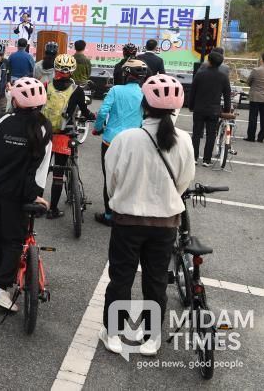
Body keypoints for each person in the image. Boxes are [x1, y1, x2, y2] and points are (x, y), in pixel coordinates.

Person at [99, 74, 195, 357]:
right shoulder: (185, 141)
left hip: (127, 221)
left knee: (121, 278)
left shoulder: (125, 139)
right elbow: (183, 183)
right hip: (165, 223)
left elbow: (111, 181)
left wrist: (124, 198)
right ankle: (152, 338)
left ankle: (113, 333)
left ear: (145, 105)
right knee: (155, 280)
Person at [0, 77, 52, 310]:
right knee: (13, 239)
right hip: (20, 195)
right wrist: (35, 195)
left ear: (16, 100)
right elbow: (41, 170)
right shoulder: (43, 127)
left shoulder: (0, 121)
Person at [92, 59, 148, 226]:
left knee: (109, 177)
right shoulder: (144, 93)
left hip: (111, 141)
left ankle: (109, 215)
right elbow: (146, 116)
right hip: (134, 141)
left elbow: (102, 112)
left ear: (126, 74)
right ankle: (127, 212)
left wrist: (98, 128)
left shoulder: (116, 90)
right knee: (130, 176)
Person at [42, 54, 94, 219]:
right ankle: (53, 210)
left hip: (44, 134)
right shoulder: (77, 90)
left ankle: (35, 205)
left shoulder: (46, 85)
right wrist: (92, 116)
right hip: (63, 136)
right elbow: (85, 112)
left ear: (56, 68)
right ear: (72, 70)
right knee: (58, 173)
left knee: (39, 171)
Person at [188, 51, 231, 166]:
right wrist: (227, 110)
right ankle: (207, 160)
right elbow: (227, 95)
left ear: (209, 61)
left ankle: (194, 158)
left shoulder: (200, 74)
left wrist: (191, 106)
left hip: (199, 108)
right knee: (211, 134)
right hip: (214, 110)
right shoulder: (223, 77)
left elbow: (193, 92)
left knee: (196, 133)